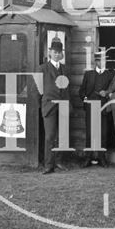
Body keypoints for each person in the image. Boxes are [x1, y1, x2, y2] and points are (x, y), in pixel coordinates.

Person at [78, 50, 114, 167]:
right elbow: (81, 91)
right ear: (95, 61)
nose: (100, 62)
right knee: (90, 133)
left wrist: (107, 93)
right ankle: (88, 158)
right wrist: (84, 97)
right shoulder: (89, 74)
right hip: (90, 107)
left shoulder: (109, 75)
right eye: (98, 60)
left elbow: (113, 91)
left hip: (103, 108)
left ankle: (102, 158)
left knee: (103, 133)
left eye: (102, 60)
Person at [40, 38, 70, 174]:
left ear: (62, 54)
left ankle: (59, 161)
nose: (57, 54)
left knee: (62, 135)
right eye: (55, 52)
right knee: (50, 136)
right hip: (49, 106)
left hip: (63, 106)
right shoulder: (43, 68)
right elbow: (37, 89)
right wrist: (42, 103)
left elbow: (67, 89)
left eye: (59, 52)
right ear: (50, 53)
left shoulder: (64, 69)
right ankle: (48, 164)